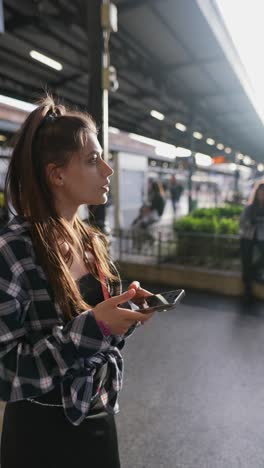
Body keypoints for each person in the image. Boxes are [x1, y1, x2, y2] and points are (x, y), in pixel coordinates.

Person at [0, 95, 154, 468]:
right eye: (92, 159)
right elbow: (5, 371)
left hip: (97, 411)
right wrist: (95, 324)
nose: (108, 169)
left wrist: (123, 314)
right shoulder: (13, 250)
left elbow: (99, 335)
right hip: (39, 431)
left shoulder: (92, 240)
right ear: (57, 174)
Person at [240, 180, 264, 302]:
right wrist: (252, 222)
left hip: (261, 238)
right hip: (247, 237)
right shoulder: (249, 207)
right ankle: (247, 290)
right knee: (246, 262)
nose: (262, 195)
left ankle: (255, 273)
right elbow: (242, 223)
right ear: (257, 193)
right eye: (261, 192)